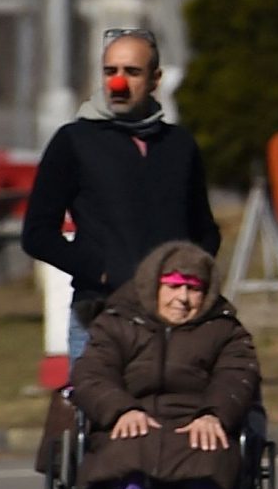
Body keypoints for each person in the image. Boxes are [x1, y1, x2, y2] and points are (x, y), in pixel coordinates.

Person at [68, 239, 260, 489]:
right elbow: (91, 374)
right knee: (127, 451)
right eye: (173, 286)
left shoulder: (224, 329)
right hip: (132, 420)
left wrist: (214, 414)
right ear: (154, 285)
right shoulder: (117, 322)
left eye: (193, 289)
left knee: (211, 450)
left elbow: (238, 376)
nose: (182, 298)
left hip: (195, 421)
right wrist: (121, 409)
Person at [21, 28, 221, 358]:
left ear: (155, 79)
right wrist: (100, 269)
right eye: (110, 71)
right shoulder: (74, 141)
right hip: (100, 320)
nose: (118, 82)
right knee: (98, 410)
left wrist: (190, 278)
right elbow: (37, 234)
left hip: (173, 324)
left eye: (132, 72)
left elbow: (204, 230)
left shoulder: (179, 145)